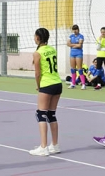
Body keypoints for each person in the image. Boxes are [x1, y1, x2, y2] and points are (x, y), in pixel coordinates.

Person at [29, 28, 62, 156]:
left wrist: (38, 86)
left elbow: (37, 73)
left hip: (47, 84)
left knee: (41, 114)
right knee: (51, 115)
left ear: (37, 38)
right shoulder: (52, 49)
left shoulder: (37, 53)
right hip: (57, 83)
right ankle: (55, 145)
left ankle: (43, 147)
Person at [67, 24, 85, 89]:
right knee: (72, 69)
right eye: (74, 30)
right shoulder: (71, 36)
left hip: (79, 53)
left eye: (76, 29)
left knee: (80, 69)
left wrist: (72, 45)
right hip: (72, 53)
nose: (75, 31)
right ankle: (73, 83)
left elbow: (80, 45)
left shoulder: (81, 36)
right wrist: (75, 45)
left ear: (78, 29)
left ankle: (83, 84)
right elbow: (68, 44)